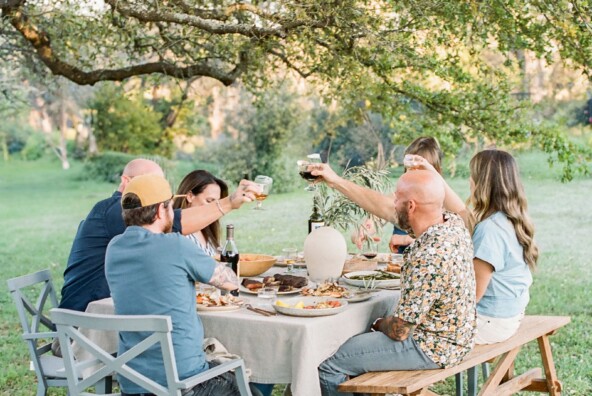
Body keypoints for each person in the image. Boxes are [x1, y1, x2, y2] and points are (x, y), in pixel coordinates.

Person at [316, 170, 476, 395]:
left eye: (396, 198)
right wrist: (336, 181)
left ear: (411, 206)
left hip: (431, 347)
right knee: (360, 346)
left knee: (329, 363)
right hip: (457, 338)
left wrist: (380, 323)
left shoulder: (429, 255)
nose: (392, 202)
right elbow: (383, 207)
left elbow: (400, 331)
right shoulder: (453, 225)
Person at [105, 174, 261, 396]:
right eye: (170, 207)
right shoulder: (175, 244)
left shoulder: (114, 248)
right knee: (251, 389)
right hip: (185, 382)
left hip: (133, 383)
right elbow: (228, 282)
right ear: (160, 211)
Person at [59, 158, 259, 313]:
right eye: (151, 183)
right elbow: (177, 222)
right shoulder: (115, 209)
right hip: (84, 327)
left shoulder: (127, 222)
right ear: (126, 181)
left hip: (117, 320)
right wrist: (229, 203)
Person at [452, 149, 538, 344]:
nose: (469, 181)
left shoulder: (490, 229)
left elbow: (472, 295)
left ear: (482, 184)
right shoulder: (510, 220)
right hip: (512, 314)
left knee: (415, 329)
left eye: (472, 176)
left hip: (491, 323)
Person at [173, 170, 229, 256]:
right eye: (209, 201)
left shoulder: (210, 231)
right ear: (190, 196)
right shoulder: (174, 233)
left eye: (218, 203)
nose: (215, 207)